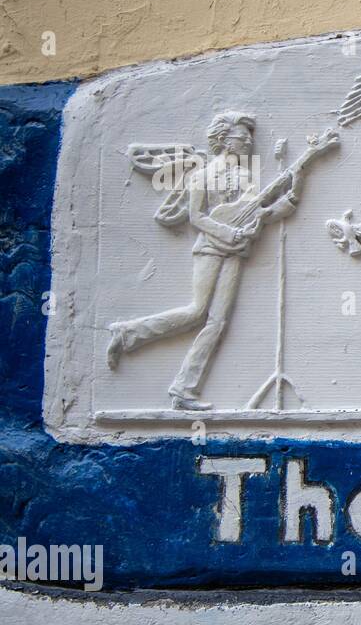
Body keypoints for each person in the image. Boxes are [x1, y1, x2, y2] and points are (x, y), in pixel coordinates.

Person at [106, 112, 299, 410]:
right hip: (210, 247)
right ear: (222, 139)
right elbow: (197, 217)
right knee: (197, 312)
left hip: (235, 251)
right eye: (241, 135)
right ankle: (128, 332)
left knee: (218, 322)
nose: (248, 140)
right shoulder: (203, 175)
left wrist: (285, 202)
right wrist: (228, 232)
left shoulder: (246, 177)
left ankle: (184, 388)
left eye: (249, 135)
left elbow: (253, 212)